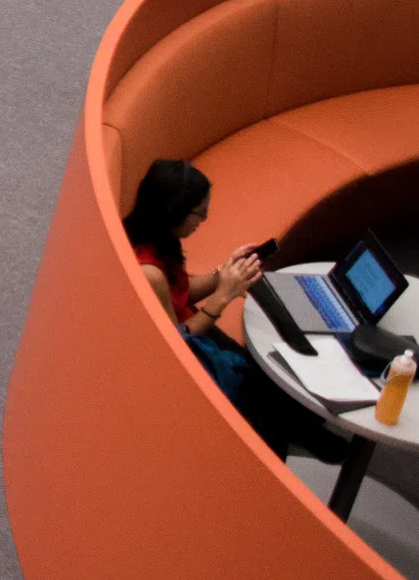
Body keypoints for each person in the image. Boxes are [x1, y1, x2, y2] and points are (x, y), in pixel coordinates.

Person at [122, 158, 344, 462]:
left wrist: (224, 274)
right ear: (176, 212)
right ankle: (274, 463)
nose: (203, 221)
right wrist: (222, 297)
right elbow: (175, 342)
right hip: (178, 358)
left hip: (188, 327)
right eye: (200, 213)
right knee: (264, 388)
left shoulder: (154, 238)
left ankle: (302, 429)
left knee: (268, 374)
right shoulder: (148, 272)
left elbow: (181, 291)